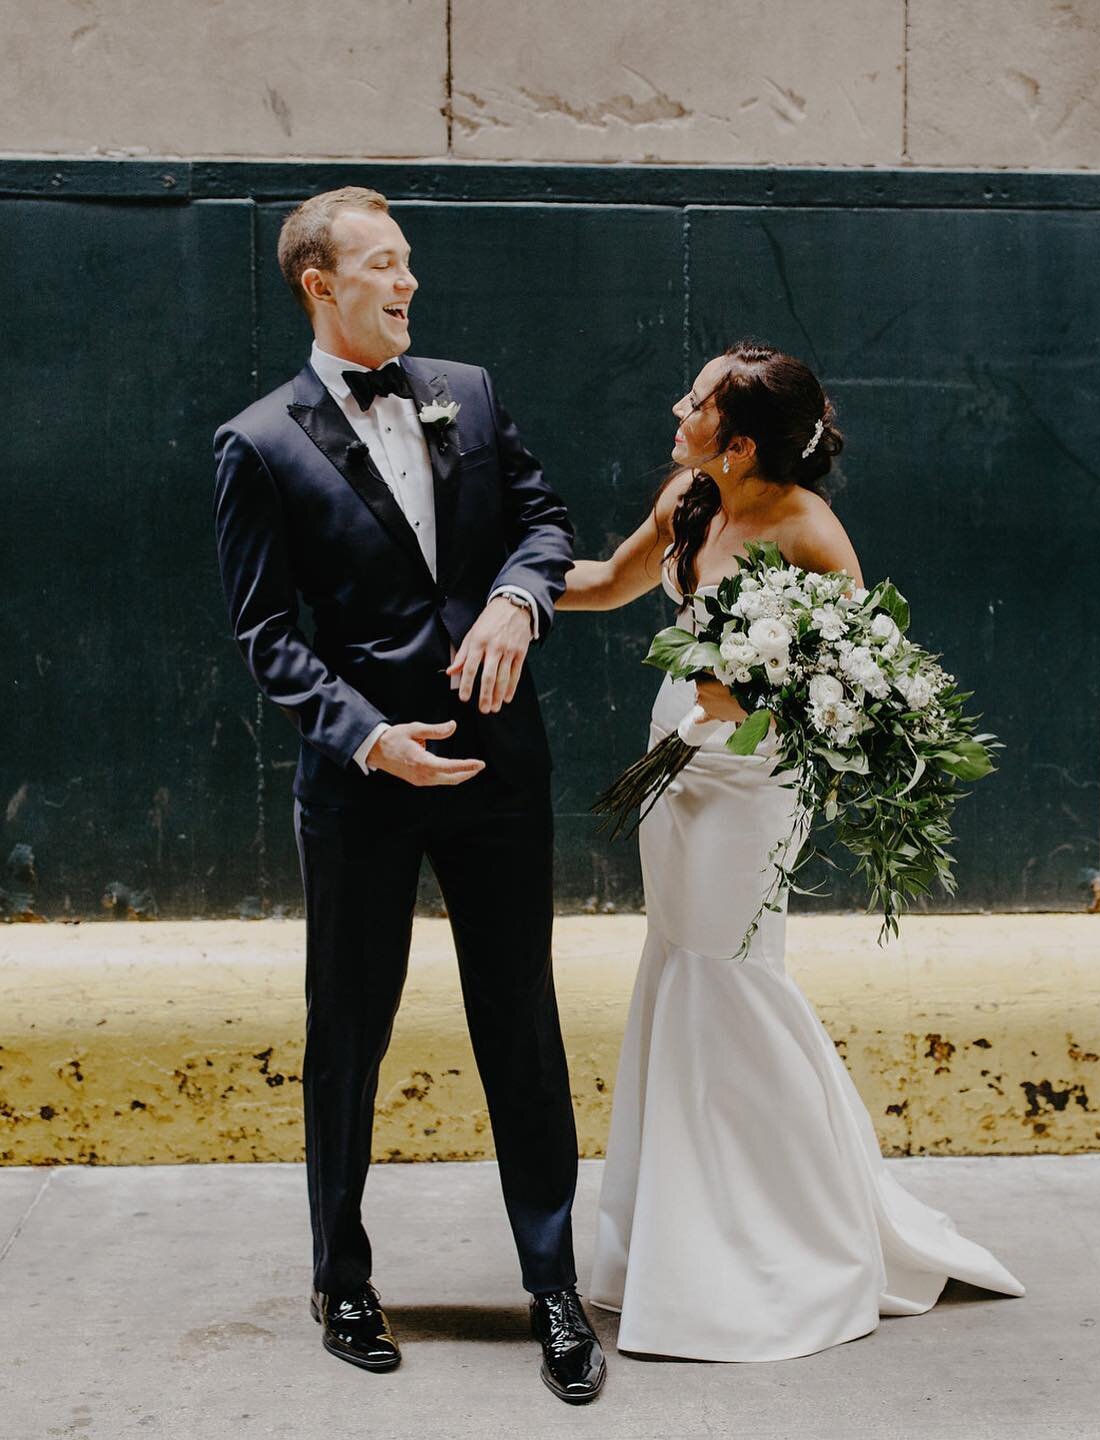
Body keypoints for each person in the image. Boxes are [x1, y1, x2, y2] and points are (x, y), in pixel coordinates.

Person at [213, 187, 605, 1404]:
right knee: (349, 1034)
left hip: (498, 767)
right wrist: (370, 740)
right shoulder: (258, 443)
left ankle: (553, 1285)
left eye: (411, 263)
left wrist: (516, 598)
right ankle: (340, 1276)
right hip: (365, 784)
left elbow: (540, 520)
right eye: (383, 265)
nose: (409, 283)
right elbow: (268, 636)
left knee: (522, 1030)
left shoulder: (469, 390)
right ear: (318, 285)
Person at [558, 341, 1024, 1361]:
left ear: (741, 441)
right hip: (673, 756)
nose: (677, 407)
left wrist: (754, 693)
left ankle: (801, 1231)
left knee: (733, 979)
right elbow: (602, 584)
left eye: (697, 401)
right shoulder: (691, 496)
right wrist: (502, 592)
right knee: (679, 968)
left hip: (753, 782)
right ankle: (682, 1233)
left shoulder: (811, 532)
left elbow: (863, 685)